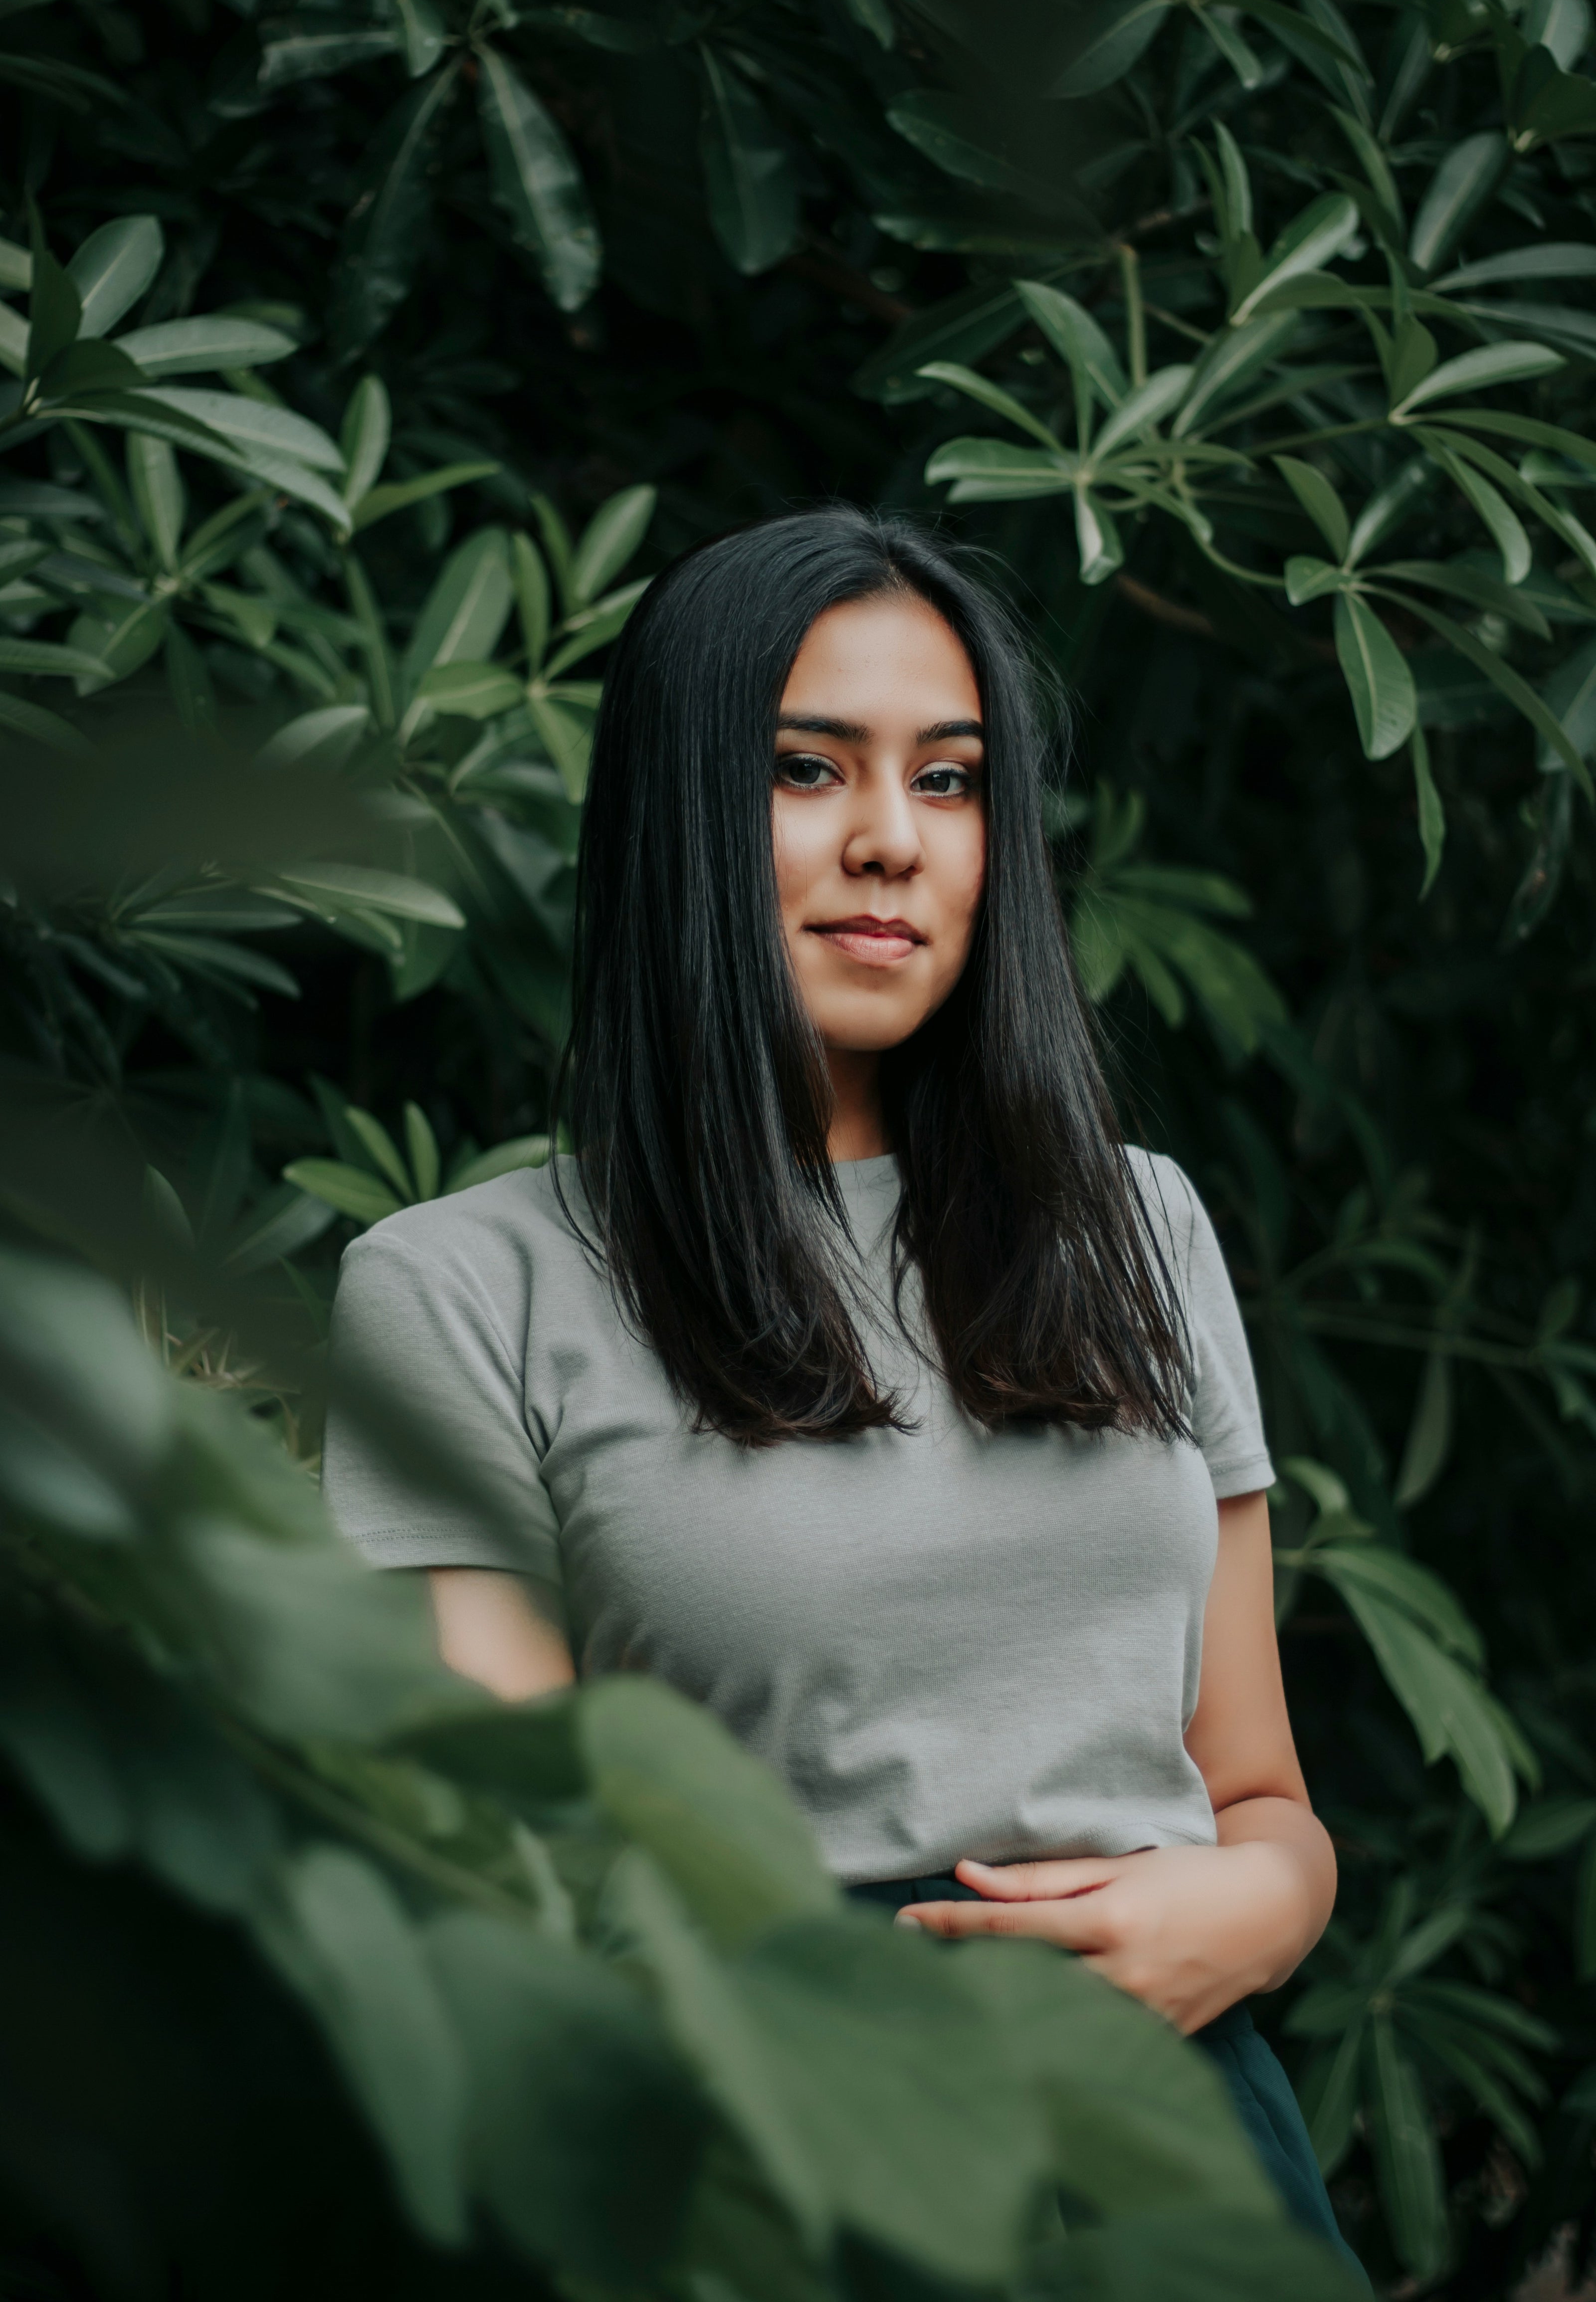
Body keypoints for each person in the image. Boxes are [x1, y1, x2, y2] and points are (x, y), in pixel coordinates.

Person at [322, 507, 1355, 2264]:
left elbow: (1256, 1790)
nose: (891, 842)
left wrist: (1260, 1908)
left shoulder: (1142, 1227)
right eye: (810, 768)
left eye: (949, 783)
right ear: (678, 816)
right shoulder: (457, 1284)